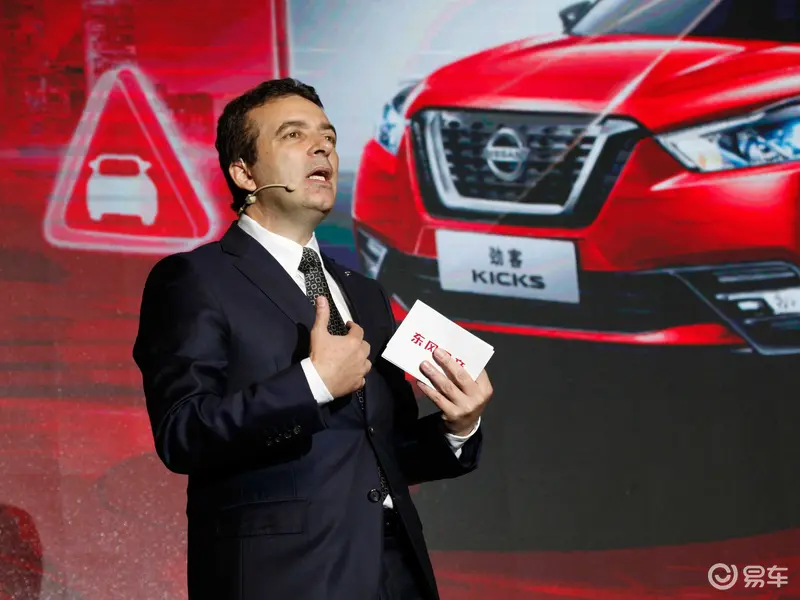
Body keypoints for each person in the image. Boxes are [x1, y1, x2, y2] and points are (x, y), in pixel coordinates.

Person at [132, 78, 493, 600]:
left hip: (394, 573)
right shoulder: (195, 278)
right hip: (284, 577)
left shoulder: (365, 293)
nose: (322, 147)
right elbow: (183, 433)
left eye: (328, 136)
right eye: (294, 135)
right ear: (244, 172)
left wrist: (458, 427)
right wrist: (313, 384)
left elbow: (377, 451)